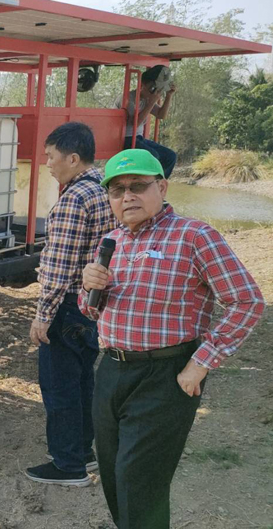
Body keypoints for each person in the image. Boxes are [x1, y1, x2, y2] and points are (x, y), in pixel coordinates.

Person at [81, 149, 265, 529]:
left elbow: (246, 301)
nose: (127, 196)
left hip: (166, 376)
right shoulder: (111, 241)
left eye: (138, 186)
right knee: (115, 476)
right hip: (112, 371)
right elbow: (93, 311)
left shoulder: (194, 236)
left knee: (139, 480)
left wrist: (200, 364)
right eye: (117, 190)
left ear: (162, 187)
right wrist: (89, 290)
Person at [25, 122, 116, 487]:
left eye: (50, 155)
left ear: (73, 158)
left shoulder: (73, 199)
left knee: (59, 383)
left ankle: (67, 465)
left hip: (67, 306)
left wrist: (42, 316)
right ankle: (83, 450)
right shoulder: (103, 190)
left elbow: (59, 267)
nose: (46, 163)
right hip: (93, 305)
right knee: (82, 380)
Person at [115, 65, 177, 178]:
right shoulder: (128, 99)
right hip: (125, 138)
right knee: (153, 156)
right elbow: (135, 124)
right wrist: (151, 103)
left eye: (156, 89)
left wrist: (168, 96)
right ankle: (147, 183)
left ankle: (158, 184)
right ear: (141, 85)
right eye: (151, 89)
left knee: (170, 156)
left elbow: (161, 115)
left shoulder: (147, 99)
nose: (153, 93)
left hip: (138, 138)